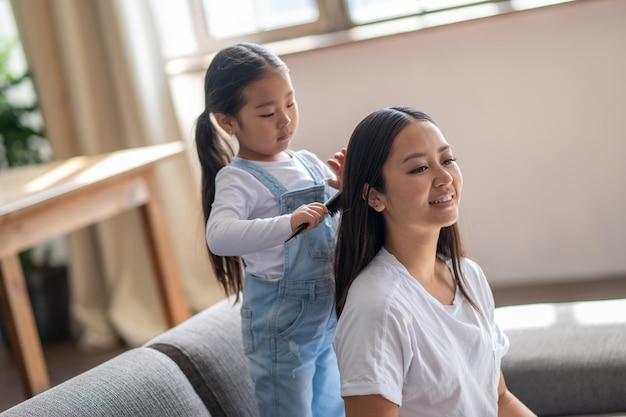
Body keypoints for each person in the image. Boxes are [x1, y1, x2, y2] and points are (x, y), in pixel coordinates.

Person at [332, 106, 536, 417]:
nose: (444, 178)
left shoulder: (467, 275)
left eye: (448, 160)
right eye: (419, 169)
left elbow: (500, 399)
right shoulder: (377, 308)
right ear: (374, 196)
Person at [194, 42, 345, 417]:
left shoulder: (308, 162)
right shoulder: (239, 178)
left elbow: (334, 225)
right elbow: (220, 235)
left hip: (328, 315)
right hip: (283, 328)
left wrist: (342, 189)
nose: (285, 120)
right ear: (227, 121)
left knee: (333, 405)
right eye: (267, 113)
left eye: (290, 104)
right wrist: (288, 222)